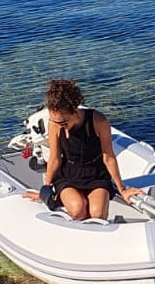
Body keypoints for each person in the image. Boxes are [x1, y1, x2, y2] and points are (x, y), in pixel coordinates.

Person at [24, 78, 141, 220]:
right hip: (68, 174)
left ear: (75, 112)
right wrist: (46, 188)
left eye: (63, 122)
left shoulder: (99, 121)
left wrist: (122, 189)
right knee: (79, 209)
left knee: (97, 214)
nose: (59, 126)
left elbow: (108, 156)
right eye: (55, 121)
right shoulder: (54, 124)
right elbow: (55, 159)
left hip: (96, 173)